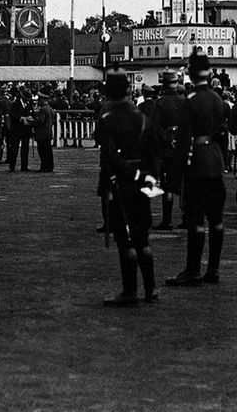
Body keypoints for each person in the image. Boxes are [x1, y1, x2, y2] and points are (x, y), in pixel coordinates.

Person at [95, 65, 161, 306]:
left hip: (119, 182)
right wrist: (148, 179)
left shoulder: (106, 118)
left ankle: (130, 291)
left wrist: (127, 175)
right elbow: (155, 155)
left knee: (125, 238)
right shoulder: (143, 118)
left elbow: (109, 154)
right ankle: (151, 288)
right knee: (143, 236)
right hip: (143, 180)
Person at [165, 58, 228, 286]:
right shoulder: (217, 99)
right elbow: (222, 131)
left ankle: (193, 271)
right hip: (215, 161)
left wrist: (173, 179)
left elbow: (183, 142)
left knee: (196, 220)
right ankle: (213, 270)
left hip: (197, 163)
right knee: (217, 221)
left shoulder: (189, 101)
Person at [153, 71, 186, 230]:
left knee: (168, 185)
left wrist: (166, 138)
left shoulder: (160, 103)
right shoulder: (184, 102)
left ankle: (167, 220)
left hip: (167, 148)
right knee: (185, 183)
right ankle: (186, 218)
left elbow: (155, 127)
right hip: (183, 146)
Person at [6, 90, 34, 172]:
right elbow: (11, 115)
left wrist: (30, 118)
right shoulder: (15, 104)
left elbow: (33, 115)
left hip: (26, 130)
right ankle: (12, 166)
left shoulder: (29, 106)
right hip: (16, 129)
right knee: (14, 149)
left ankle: (24, 166)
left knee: (25, 149)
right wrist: (20, 118)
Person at [35, 92, 56, 173]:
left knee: (42, 151)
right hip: (48, 132)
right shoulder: (49, 108)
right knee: (48, 150)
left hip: (42, 133)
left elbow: (40, 121)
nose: (38, 102)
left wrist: (33, 123)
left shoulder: (43, 109)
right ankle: (49, 166)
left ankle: (44, 166)